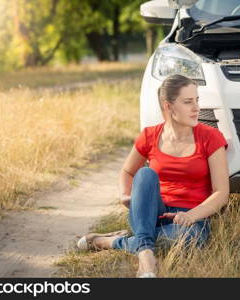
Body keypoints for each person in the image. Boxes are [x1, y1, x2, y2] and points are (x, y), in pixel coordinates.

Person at [77, 74, 229, 278]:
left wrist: (190, 216)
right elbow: (127, 172)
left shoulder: (210, 137)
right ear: (168, 106)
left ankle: (111, 242)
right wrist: (125, 195)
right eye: (188, 102)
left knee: (186, 238)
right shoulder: (150, 135)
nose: (196, 108)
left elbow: (221, 193)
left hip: (189, 220)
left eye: (197, 100)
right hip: (150, 213)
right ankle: (147, 255)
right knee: (146, 173)